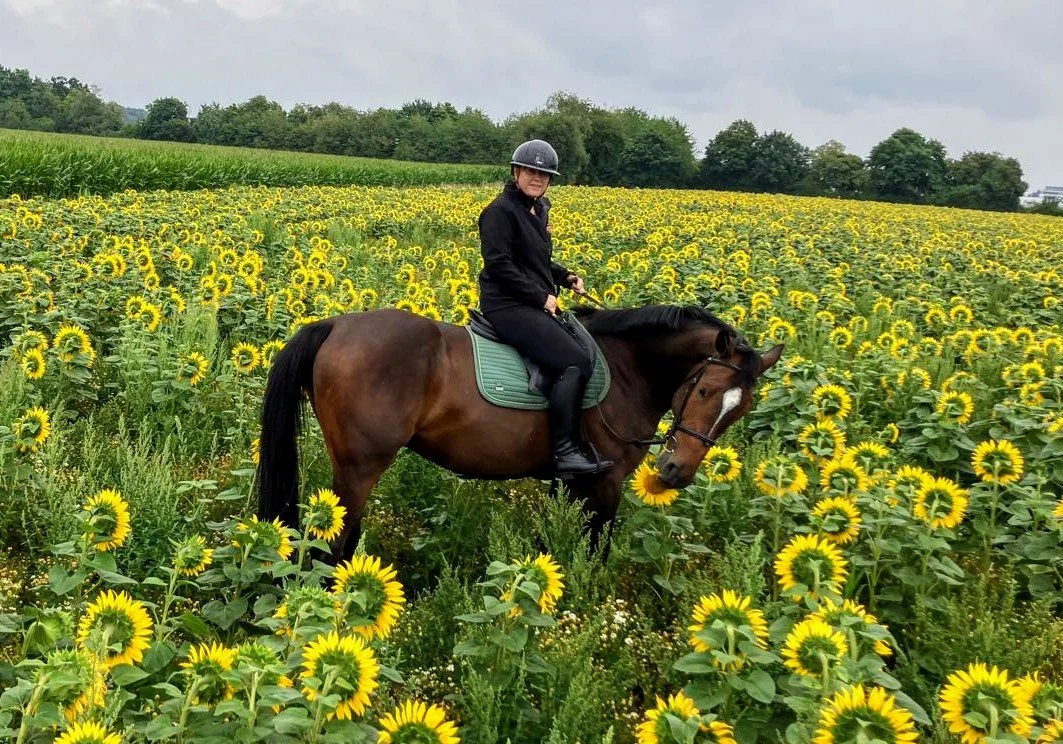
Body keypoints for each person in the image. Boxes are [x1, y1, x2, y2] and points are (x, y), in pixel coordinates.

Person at [477, 139, 613, 477]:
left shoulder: (537, 209)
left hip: (528, 300)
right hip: (507, 304)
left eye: (544, 173)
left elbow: (534, 261)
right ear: (516, 172)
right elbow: (499, 266)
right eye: (530, 171)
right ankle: (564, 451)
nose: (537, 178)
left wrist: (564, 277)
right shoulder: (499, 211)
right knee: (575, 360)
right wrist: (540, 297)